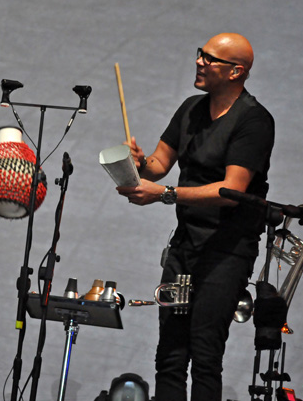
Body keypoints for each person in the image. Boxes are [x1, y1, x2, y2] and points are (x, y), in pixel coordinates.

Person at [117, 33, 275, 400]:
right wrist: (138, 162)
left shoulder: (253, 120)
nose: (200, 61)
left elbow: (231, 190)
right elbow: (158, 166)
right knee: (170, 354)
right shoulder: (191, 108)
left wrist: (166, 195)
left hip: (225, 250)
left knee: (205, 354)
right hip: (186, 246)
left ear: (236, 72)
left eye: (210, 58)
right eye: (200, 54)